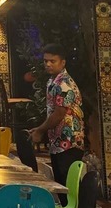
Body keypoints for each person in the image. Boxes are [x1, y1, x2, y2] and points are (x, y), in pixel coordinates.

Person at [29, 43, 85, 186]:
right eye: (45, 61)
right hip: (58, 142)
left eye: (52, 61)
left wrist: (40, 130)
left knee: (69, 186)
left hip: (69, 142)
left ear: (63, 62)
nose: (48, 64)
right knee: (60, 182)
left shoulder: (63, 84)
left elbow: (59, 114)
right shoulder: (53, 81)